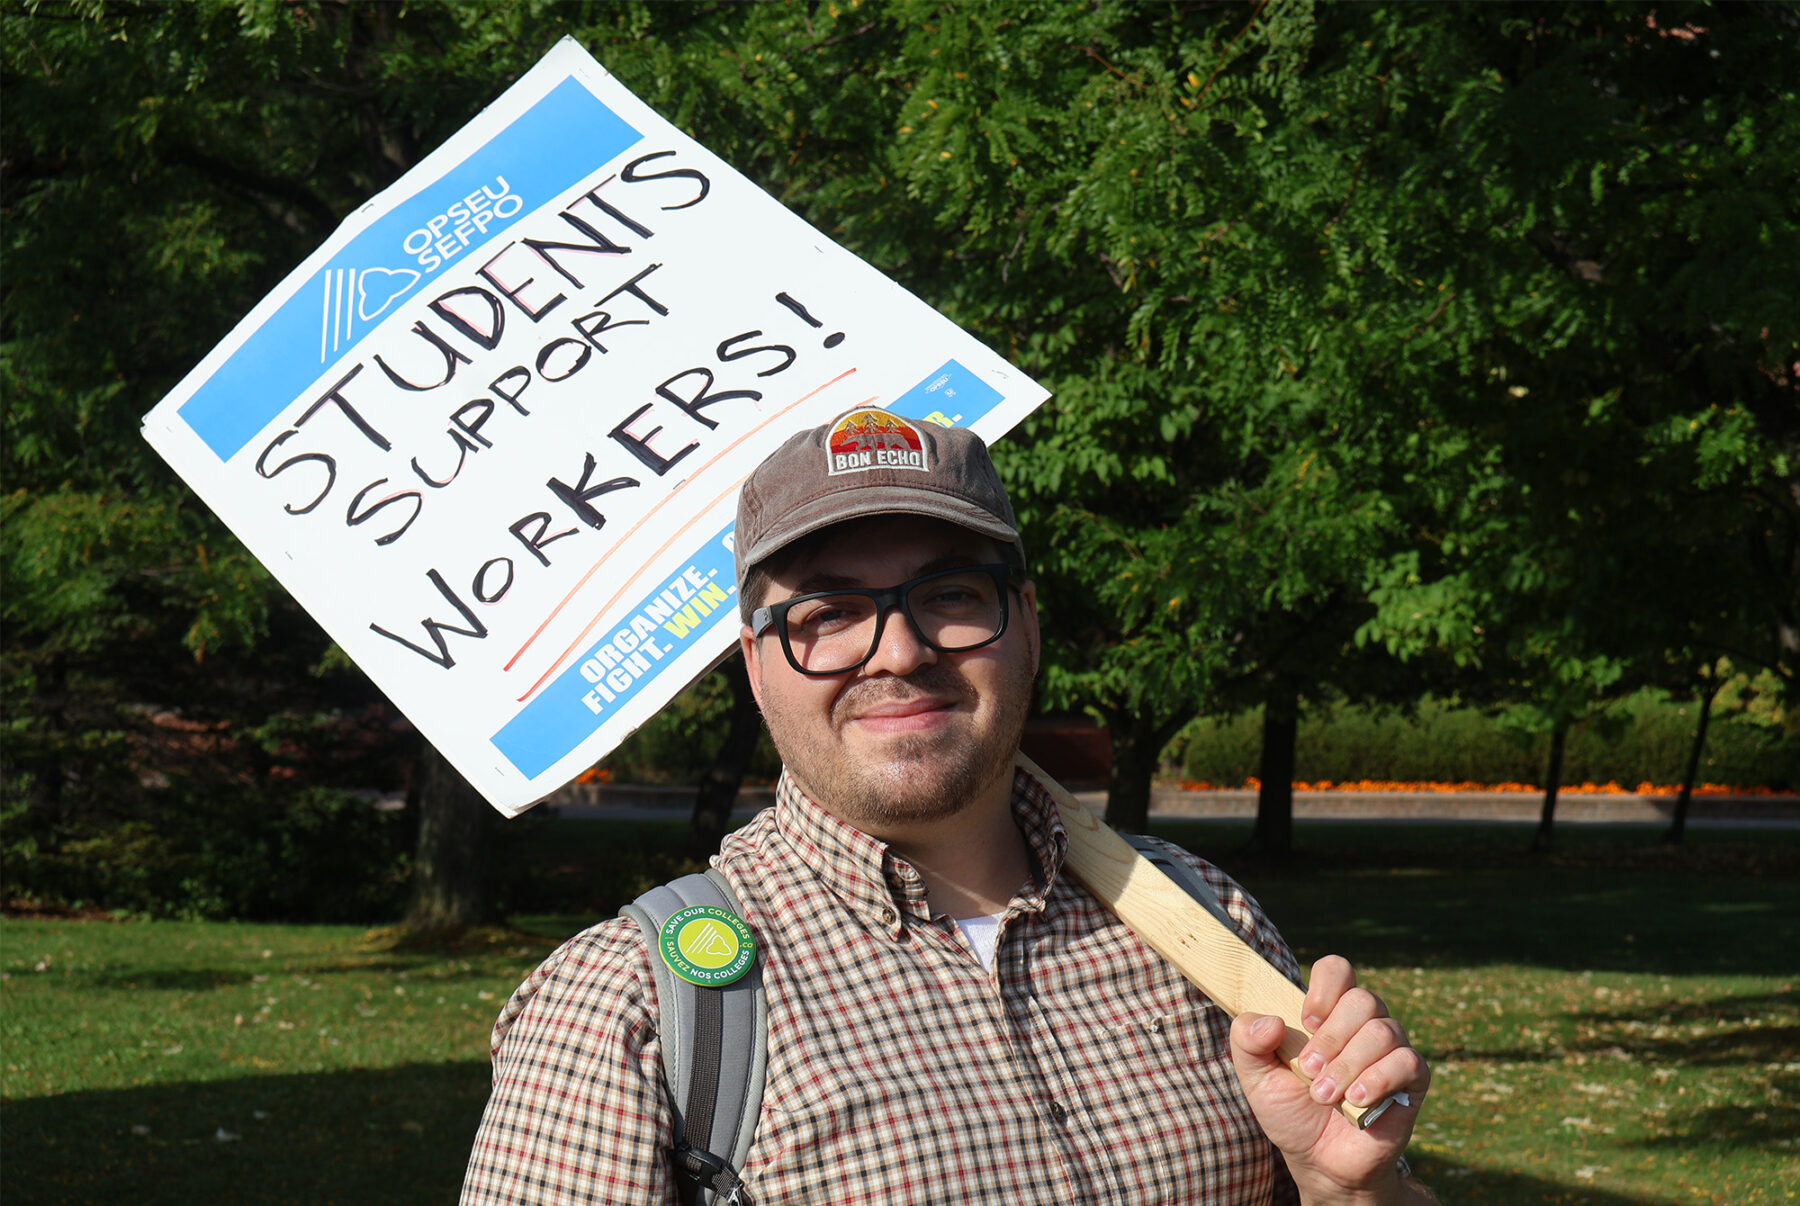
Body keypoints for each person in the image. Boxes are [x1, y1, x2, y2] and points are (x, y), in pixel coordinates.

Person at [460, 408, 1435, 1205]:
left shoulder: (1202, 916)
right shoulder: (630, 1007)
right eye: (828, 615)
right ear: (758, 667)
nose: (899, 652)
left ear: (1027, 623)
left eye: (952, 594)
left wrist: (1345, 1188)